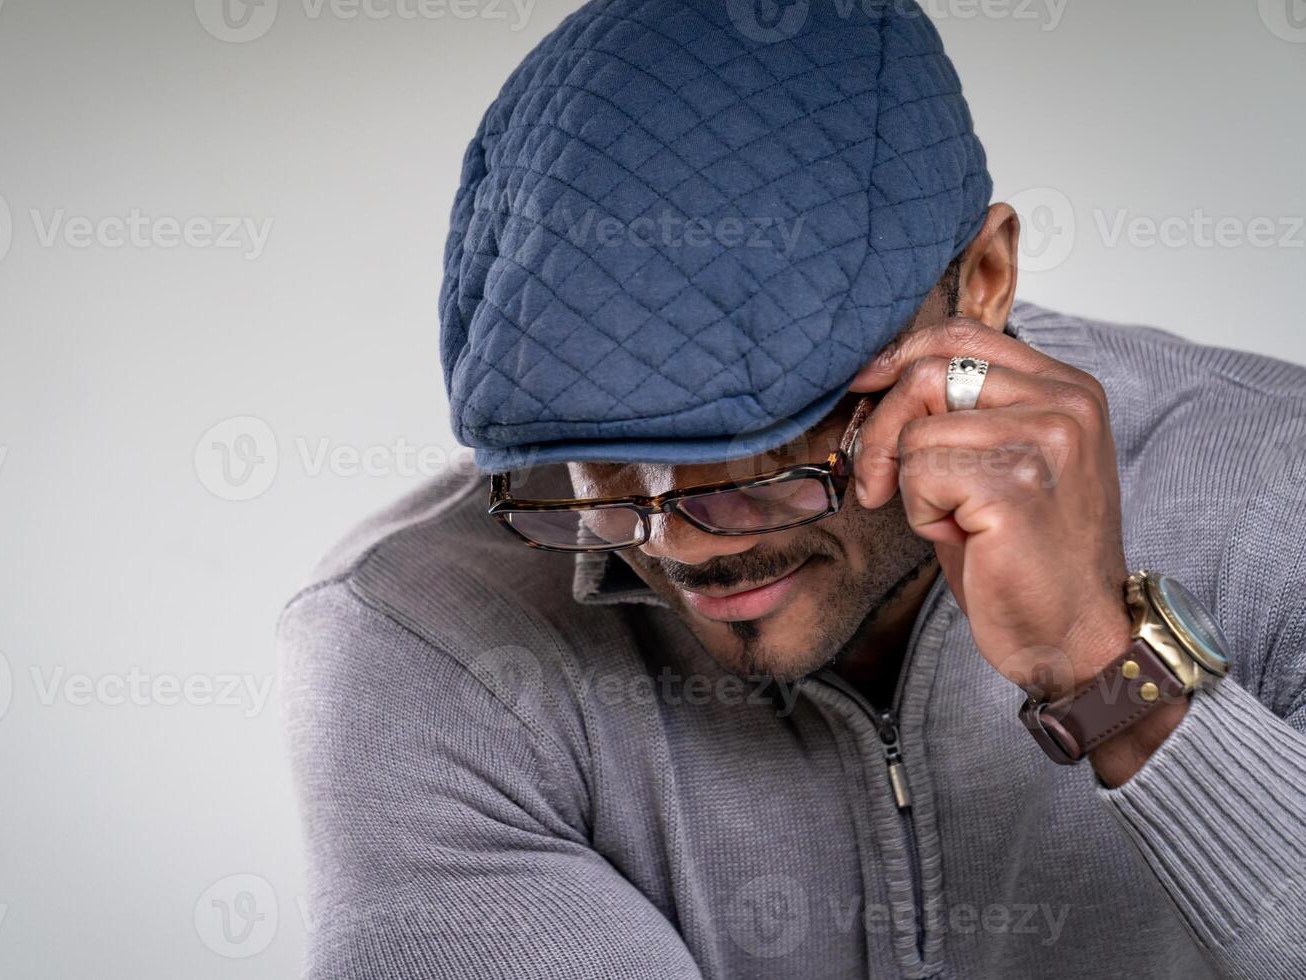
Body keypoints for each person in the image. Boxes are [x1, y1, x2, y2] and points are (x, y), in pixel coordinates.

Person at [279, 1, 1306, 976]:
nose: (687, 542)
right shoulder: (426, 639)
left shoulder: (1277, 491)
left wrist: (1109, 671)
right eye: (601, 449)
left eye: (770, 443)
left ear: (983, 282)